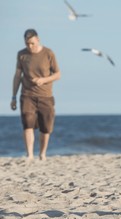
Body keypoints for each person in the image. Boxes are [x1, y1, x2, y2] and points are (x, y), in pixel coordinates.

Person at [10, 29, 61, 160]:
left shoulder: (49, 53)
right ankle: (30, 155)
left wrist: (43, 80)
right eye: (27, 44)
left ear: (38, 39)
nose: (30, 46)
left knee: (45, 128)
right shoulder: (21, 55)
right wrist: (14, 97)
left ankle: (42, 154)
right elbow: (17, 76)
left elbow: (57, 74)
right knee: (28, 124)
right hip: (27, 95)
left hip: (46, 96)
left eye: (32, 43)